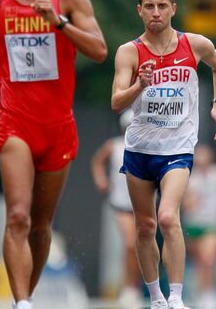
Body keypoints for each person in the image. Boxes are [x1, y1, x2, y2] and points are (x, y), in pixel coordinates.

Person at [0, 0, 107, 308]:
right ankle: (22, 303)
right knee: (18, 215)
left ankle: (25, 295)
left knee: (41, 225)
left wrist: (58, 22)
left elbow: (100, 50)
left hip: (57, 126)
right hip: (15, 121)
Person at [110, 0, 216, 309]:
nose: (156, 12)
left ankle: (176, 297)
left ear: (174, 9)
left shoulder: (195, 44)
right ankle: (156, 298)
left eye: (163, 6)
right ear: (140, 10)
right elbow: (117, 102)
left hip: (177, 148)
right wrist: (139, 85)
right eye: (149, 6)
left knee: (167, 217)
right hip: (139, 149)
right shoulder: (129, 51)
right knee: (145, 226)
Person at [91, 110, 143, 309]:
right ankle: (129, 288)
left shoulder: (146, 145)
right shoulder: (114, 145)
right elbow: (97, 161)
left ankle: (136, 287)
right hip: (121, 202)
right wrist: (101, 179)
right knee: (131, 244)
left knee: (141, 246)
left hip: (141, 203)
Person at [183, 144, 216, 309]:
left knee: (209, 258)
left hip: (213, 223)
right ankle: (201, 293)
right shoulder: (189, 176)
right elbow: (184, 201)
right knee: (199, 261)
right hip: (193, 223)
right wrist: (190, 202)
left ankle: (209, 293)